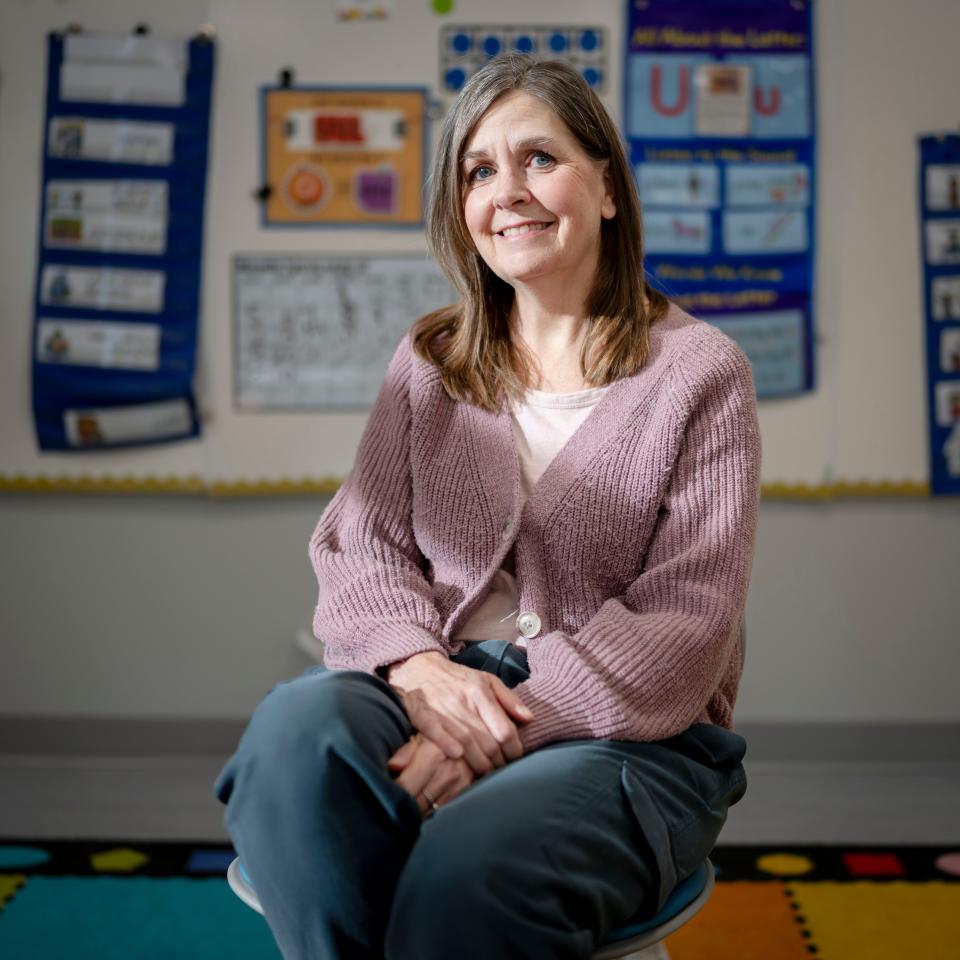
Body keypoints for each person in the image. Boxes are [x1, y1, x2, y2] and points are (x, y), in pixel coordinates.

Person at [216, 53, 761, 960]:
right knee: (291, 738)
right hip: (435, 682)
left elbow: (686, 622)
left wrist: (499, 727)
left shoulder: (701, 374)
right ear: (460, 208)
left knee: (466, 872)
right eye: (479, 170)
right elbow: (362, 548)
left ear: (609, 188)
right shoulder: (430, 361)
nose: (507, 191)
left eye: (539, 159)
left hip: (630, 735)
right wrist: (421, 671)